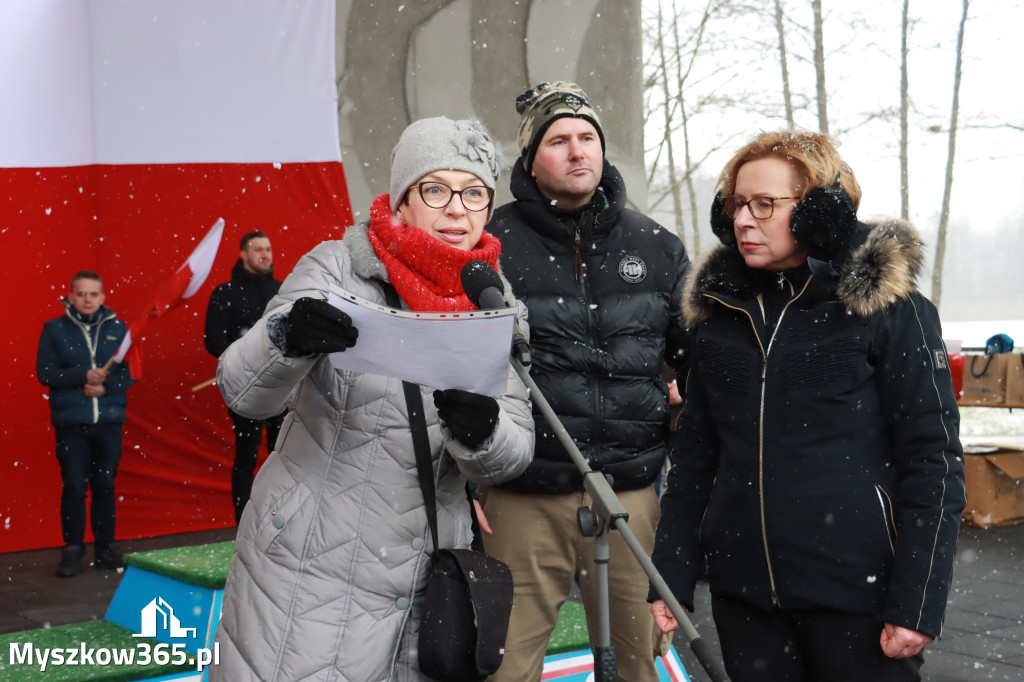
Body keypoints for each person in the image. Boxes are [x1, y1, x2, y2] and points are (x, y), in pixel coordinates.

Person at [210, 117, 535, 681]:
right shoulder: (336, 268)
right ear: (403, 199)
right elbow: (243, 393)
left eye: (475, 192)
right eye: (436, 189)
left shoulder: (493, 298)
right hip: (310, 566)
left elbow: (512, 452)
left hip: (426, 584)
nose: (457, 209)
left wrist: (482, 431)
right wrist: (285, 342)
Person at [649, 130, 966, 682]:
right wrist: (670, 576)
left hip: (858, 594)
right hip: (743, 595)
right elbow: (696, 459)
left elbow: (933, 462)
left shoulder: (893, 312)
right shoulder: (719, 316)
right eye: (735, 205)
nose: (743, 220)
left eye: (764, 205)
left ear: (821, 210)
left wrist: (918, 603)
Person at [481, 81, 691, 681]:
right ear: (530, 159)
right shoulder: (490, 245)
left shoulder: (655, 246)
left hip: (630, 494)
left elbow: (695, 358)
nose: (578, 152)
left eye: (588, 138)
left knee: (637, 664)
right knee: (504, 666)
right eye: (559, 140)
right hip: (524, 494)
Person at [36, 270, 135, 577]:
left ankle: (106, 548)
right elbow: (46, 373)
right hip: (72, 424)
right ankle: (72, 551)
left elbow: (128, 374)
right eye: (82, 294)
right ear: (70, 297)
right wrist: (83, 377)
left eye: (94, 294)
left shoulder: (119, 329)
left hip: (108, 422)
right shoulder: (53, 329)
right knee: (75, 488)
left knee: (105, 486)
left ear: (103, 297)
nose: (88, 299)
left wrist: (105, 388)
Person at [204, 230, 285, 523]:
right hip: (246, 387)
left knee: (284, 456)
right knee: (247, 455)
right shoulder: (225, 293)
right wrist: (249, 359)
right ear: (244, 254)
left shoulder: (283, 291)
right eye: (258, 249)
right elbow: (213, 341)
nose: (265, 255)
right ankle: (245, 525)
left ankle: (279, 521)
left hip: (282, 385)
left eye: (268, 249)